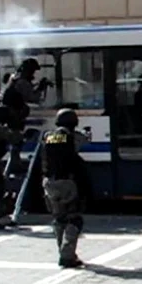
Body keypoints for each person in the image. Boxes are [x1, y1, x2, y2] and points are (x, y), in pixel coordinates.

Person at [40, 108, 90, 268]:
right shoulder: (71, 136)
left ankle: (64, 253)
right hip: (67, 182)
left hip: (49, 183)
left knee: (59, 219)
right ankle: (67, 256)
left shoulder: (48, 136)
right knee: (74, 218)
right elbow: (83, 142)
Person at [0, 58, 53, 169]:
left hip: (6, 113)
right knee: (16, 141)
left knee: (15, 142)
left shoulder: (14, 79)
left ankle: (14, 162)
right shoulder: (22, 82)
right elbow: (33, 98)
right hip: (12, 115)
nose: (33, 75)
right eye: (32, 71)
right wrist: (41, 87)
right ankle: (14, 164)